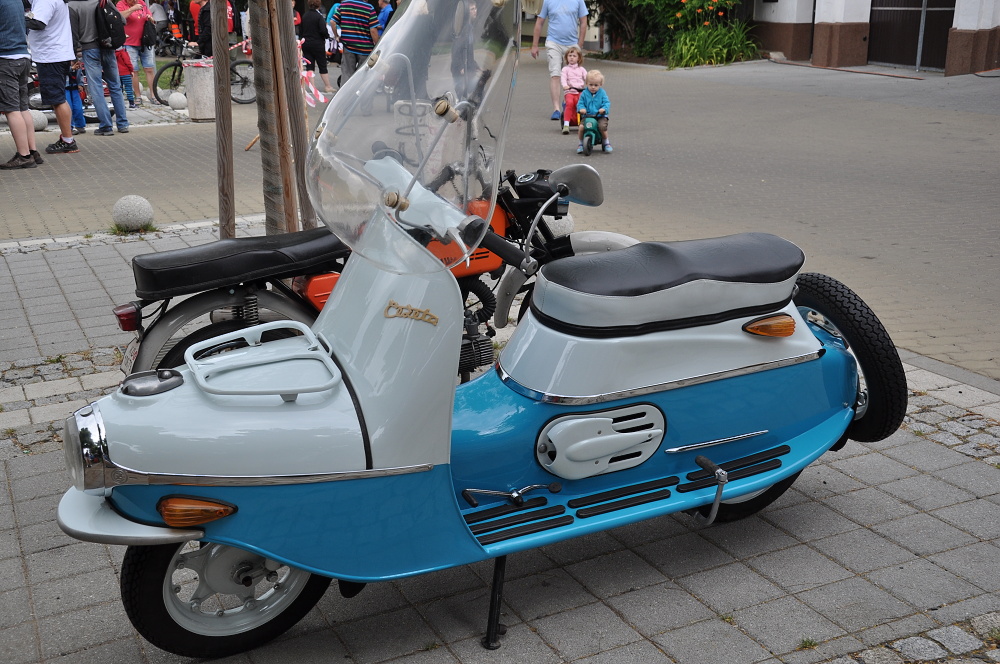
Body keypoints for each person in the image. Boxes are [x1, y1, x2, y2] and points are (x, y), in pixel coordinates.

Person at [68, 0, 130, 135]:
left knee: (96, 87)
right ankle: (123, 123)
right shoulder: (103, 1)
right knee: (115, 85)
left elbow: (73, 34)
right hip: (108, 46)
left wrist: (74, 56)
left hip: (89, 48)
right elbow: (122, 20)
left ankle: (106, 126)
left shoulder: (73, 6)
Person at [27, 0, 80, 154]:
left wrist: (17, 19)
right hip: (55, 54)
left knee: (57, 99)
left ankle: (68, 141)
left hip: (51, 56)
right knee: (58, 98)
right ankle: (67, 138)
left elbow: (38, 22)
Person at [529, 0, 587, 121]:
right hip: (553, 42)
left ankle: (568, 103)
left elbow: (583, 21)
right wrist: (535, 45)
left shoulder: (578, 1)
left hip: (572, 43)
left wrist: (580, 44)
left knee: (573, 75)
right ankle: (556, 109)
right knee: (555, 74)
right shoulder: (548, 1)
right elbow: (540, 22)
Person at [0, 0, 41, 168]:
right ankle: (32, 151)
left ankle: (23, 156)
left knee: (11, 109)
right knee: (23, 107)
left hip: (6, 58)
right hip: (23, 56)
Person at [117, 0, 158, 105]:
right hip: (129, 42)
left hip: (145, 41)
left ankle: (153, 95)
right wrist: (132, 9)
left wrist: (150, 18)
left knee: (149, 69)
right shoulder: (121, 4)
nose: (134, 0)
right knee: (133, 70)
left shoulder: (141, 2)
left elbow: (150, 16)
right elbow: (119, 17)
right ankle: (138, 96)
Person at [333, 0, 378, 88]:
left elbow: (332, 22)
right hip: (365, 48)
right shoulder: (369, 8)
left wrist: (336, 36)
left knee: (347, 73)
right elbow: (373, 30)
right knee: (363, 74)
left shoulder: (344, 4)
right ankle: (360, 94)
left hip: (348, 46)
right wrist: (376, 45)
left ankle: (345, 94)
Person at [300, 0, 333, 92]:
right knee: (322, 64)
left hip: (306, 43)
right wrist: (327, 36)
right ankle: (328, 86)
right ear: (319, 5)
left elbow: (301, 29)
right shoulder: (319, 16)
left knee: (310, 65)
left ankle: (313, 87)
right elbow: (323, 30)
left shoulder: (305, 15)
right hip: (318, 43)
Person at [576, 68, 610, 154]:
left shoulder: (602, 93)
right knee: (581, 127)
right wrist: (581, 109)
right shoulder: (584, 93)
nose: (593, 87)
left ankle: (606, 142)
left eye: (596, 85)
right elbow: (580, 103)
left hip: (599, 116)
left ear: (600, 84)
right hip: (587, 115)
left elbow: (606, 103)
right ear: (586, 83)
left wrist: (604, 109)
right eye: (591, 85)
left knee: (602, 127)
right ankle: (580, 143)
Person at [558, 44, 584, 134]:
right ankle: (566, 124)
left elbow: (588, 77)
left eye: (574, 56)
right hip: (570, 91)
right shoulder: (565, 69)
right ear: (566, 57)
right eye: (570, 55)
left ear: (578, 58)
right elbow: (563, 79)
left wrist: (591, 84)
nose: (572, 57)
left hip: (580, 92)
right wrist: (565, 85)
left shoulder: (581, 69)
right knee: (569, 103)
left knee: (583, 104)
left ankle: (583, 122)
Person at [65, 66, 86, 134]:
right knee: (68, 108)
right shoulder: (63, 63)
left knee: (78, 108)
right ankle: (69, 128)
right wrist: (71, 68)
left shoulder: (77, 64)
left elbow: (80, 74)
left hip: (74, 87)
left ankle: (80, 125)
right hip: (65, 87)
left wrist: (80, 84)